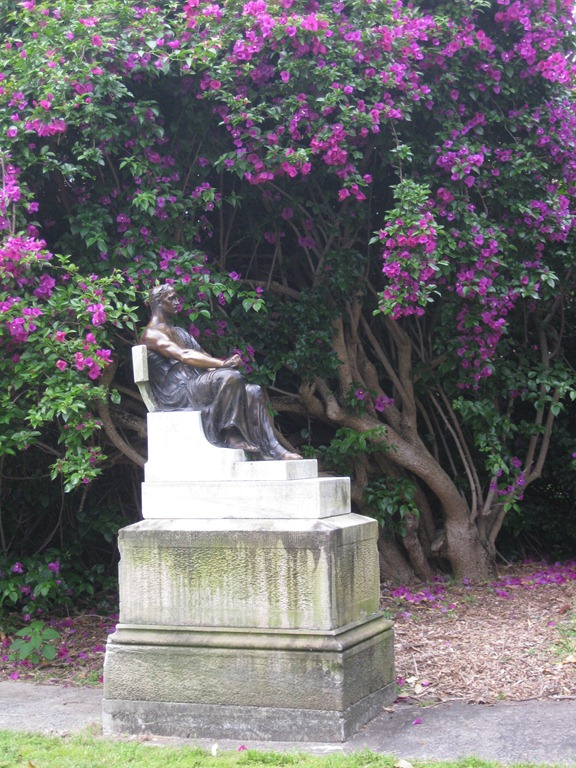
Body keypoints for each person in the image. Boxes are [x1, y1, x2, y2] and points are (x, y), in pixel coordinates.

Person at [140, 283, 301, 460]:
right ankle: (230, 434)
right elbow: (184, 355)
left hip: (194, 384)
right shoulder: (152, 334)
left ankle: (272, 449)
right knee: (230, 377)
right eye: (171, 298)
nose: (178, 302)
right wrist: (222, 364)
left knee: (253, 391)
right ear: (159, 303)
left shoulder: (179, 332)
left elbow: (203, 357)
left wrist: (223, 366)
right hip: (178, 393)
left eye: (177, 297)